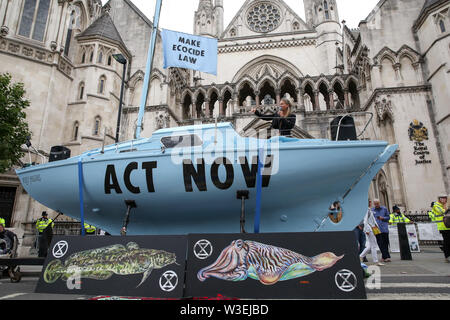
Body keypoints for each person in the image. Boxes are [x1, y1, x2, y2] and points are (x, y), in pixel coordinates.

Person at [360, 201, 384, 266]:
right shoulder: (366, 210)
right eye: (370, 202)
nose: (371, 203)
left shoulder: (368, 209)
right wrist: (367, 229)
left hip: (371, 228)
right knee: (373, 245)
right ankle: (375, 261)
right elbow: (365, 220)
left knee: (371, 245)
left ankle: (361, 256)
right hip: (369, 229)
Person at [429, 194, 450, 262]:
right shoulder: (436, 206)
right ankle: (447, 256)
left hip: (448, 226)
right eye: (442, 198)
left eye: (445, 198)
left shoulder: (446, 205)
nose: (444, 199)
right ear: (439, 199)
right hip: (443, 227)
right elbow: (443, 212)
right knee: (446, 241)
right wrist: (446, 207)